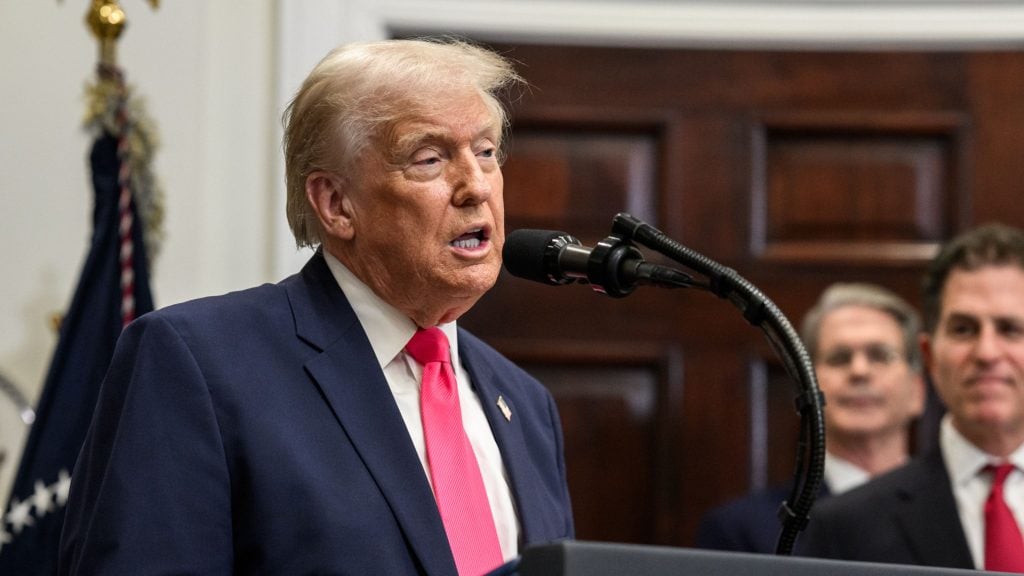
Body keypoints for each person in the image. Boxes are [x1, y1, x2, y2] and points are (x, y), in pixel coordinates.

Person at [58, 38, 574, 575]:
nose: (475, 186)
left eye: (486, 152)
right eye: (430, 158)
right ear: (335, 203)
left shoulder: (524, 404)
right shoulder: (197, 365)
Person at [802, 223, 1024, 571]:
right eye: (963, 329)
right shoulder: (845, 525)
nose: (986, 352)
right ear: (929, 355)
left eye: (1010, 329)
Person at [695, 282, 926, 553]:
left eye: (879, 356)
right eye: (839, 358)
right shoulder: (741, 531)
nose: (859, 371)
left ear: (917, 391)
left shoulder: (954, 513)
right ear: (806, 388)